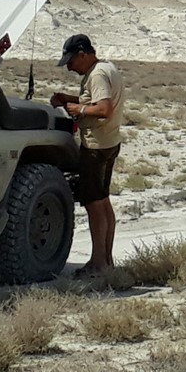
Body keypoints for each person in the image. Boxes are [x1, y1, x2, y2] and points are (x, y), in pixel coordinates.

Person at [50, 33, 125, 276]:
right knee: (103, 201)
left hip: (96, 147)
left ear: (83, 55)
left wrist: (79, 109)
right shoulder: (107, 68)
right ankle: (107, 261)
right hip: (109, 142)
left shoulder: (97, 75)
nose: (70, 68)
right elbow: (96, 101)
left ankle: (98, 263)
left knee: (94, 205)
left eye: (71, 61)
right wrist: (70, 100)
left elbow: (104, 109)